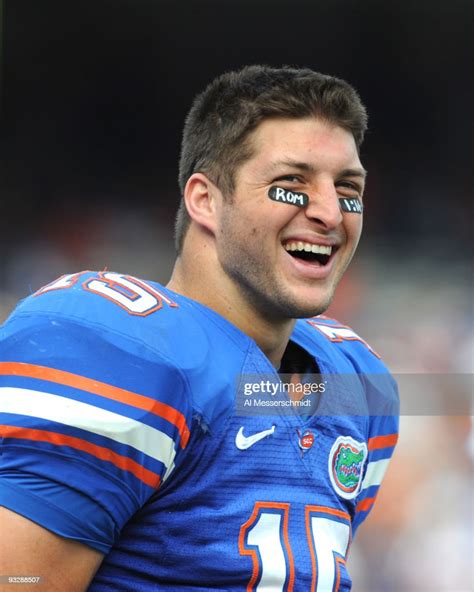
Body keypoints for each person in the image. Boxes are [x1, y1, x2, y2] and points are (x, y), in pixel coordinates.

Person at [0, 65, 399, 591]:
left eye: (348, 187)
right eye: (291, 184)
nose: (330, 212)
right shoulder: (119, 349)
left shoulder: (355, 383)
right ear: (205, 200)